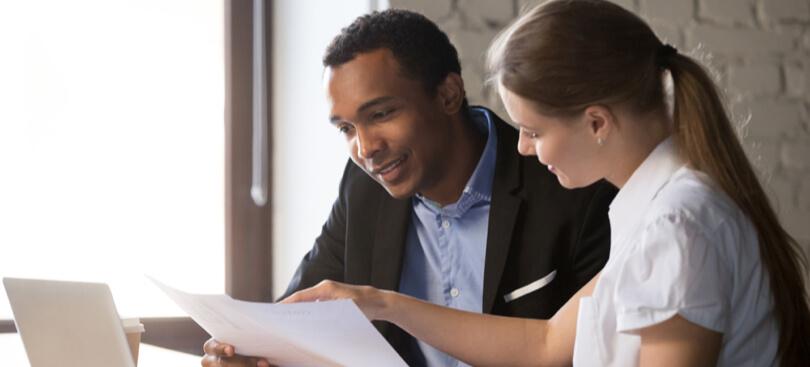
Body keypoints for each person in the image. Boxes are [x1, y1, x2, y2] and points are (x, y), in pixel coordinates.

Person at [283, 1, 810, 366]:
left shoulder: (677, 225)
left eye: (534, 131)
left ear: (597, 122)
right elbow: (546, 341)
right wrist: (381, 302)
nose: (523, 148)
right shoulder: (656, 211)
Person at [201, 9, 616, 367]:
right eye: (346, 128)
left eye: (380, 114)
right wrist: (250, 351)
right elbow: (298, 317)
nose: (365, 149)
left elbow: (597, 351)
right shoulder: (363, 189)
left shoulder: (571, 184)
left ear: (449, 94)